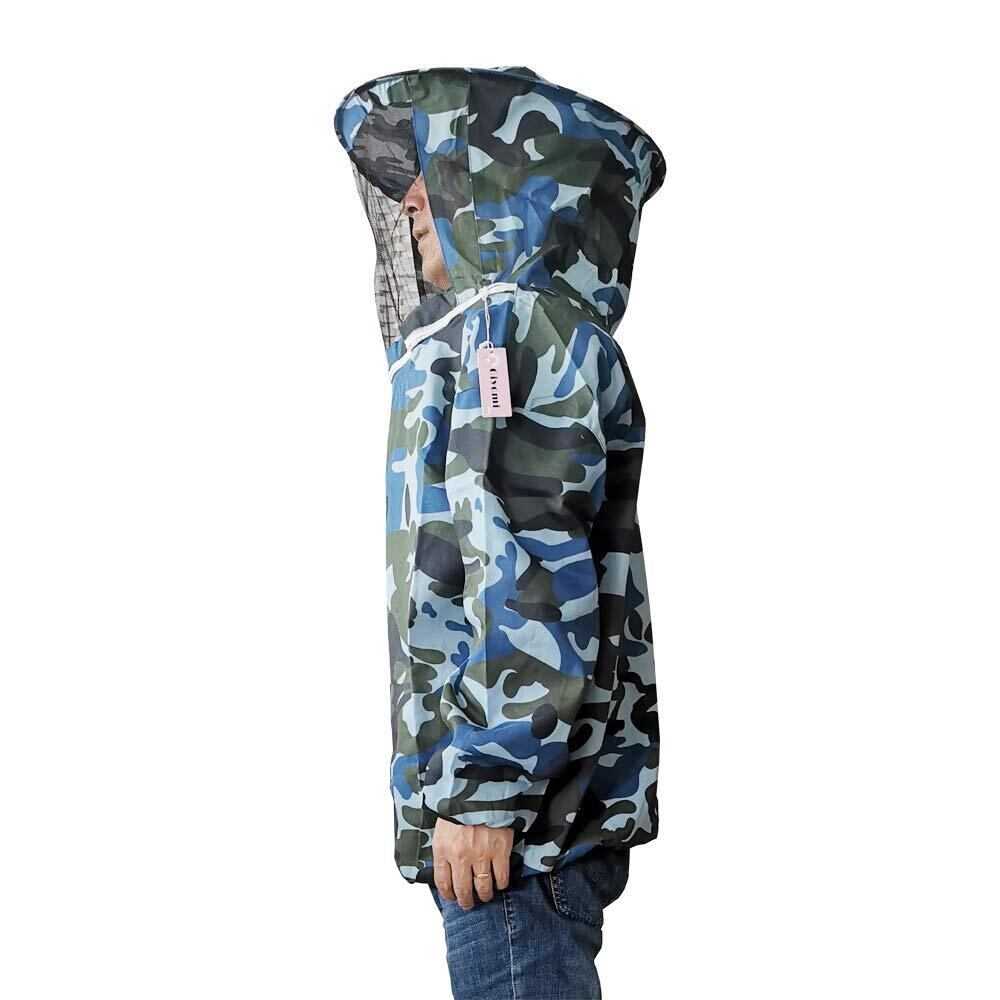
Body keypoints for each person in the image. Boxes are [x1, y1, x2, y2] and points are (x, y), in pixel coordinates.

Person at [335, 65, 665, 1000]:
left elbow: (527, 556)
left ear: (496, 190)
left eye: (428, 179)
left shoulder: (509, 334)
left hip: (516, 831)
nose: (408, 206)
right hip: (521, 822)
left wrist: (485, 789)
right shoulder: (514, 333)